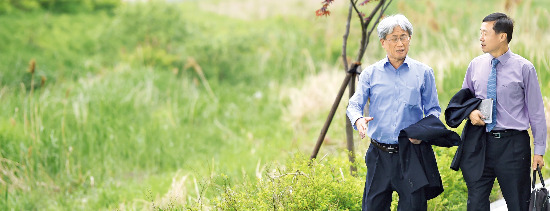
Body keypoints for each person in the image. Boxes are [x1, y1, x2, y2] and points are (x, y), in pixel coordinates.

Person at [347, 14, 442, 211]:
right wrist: (358, 120)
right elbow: (354, 105)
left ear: (410, 39)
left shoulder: (423, 73)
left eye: (404, 37)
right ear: (383, 42)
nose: (400, 43)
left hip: (411, 154)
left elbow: (433, 111)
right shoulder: (370, 74)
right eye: (394, 38)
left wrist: (422, 133)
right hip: (379, 155)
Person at [460, 12, 547, 211]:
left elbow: (536, 112)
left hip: (513, 146)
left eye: (485, 33)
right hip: (480, 144)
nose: (480, 38)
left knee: (518, 204)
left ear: (502, 36)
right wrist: (471, 113)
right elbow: (464, 101)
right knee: (476, 203)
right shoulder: (475, 66)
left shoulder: (524, 68)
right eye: (480, 33)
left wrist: (539, 150)